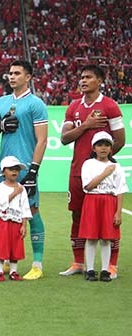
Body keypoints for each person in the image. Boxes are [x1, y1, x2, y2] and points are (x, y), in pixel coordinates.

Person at [60, 65, 125, 278]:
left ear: (100, 81)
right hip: (78, 170)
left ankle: (111, 265)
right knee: (77, 216)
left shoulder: (110, 106)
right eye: (81, 77)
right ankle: (79, 262)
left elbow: (121, 139)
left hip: (103, 174)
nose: (83, 80)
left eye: (88, 77)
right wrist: (86, 125)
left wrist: (101, 161)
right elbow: (64, 138)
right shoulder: (74, 107)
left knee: (109, 219)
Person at [0, 60, 48, 280]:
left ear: (28, 77)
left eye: (17, 73)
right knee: (4, 214)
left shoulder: (35, 104)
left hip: (25, 166)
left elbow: (42, 140)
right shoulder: (2, 102)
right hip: (4, 166)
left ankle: (37, 264)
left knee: (31, 213)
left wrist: (33, 171)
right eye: (10, 73)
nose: (11, 77)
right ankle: (4, 263)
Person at [79, 131, 128, 282]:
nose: (103, 148)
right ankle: (91, 269)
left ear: (111, 148)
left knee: (106, 238)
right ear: (94, 148)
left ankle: (105, 270)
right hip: (92, 200)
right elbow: (88, 186)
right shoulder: (88, 164)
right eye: (100, 145)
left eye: (107, 145)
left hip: (109, 202)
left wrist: (118, 212)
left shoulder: (116, 166)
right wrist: (105, 173)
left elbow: (120, 190)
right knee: (91, 237)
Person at [0, 156, 32, 282]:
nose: (14, 172)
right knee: (1, 246)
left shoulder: (21, 188)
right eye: (11, 169)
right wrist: (15, 192)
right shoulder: (0, 187)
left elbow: (25, 207)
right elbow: (1, 203)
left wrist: (24, 225)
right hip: (3, 221)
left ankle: (14, 271)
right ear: (3, 172)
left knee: (16, 247)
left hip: (17, 222)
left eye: (16, 169)